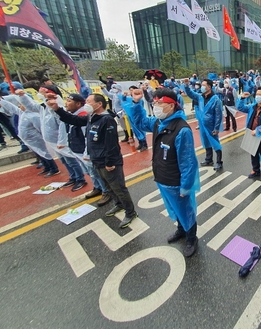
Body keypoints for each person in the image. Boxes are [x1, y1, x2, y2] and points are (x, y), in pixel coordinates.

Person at [130, 88, 200, 256]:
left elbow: (188, 162)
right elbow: (139, 122)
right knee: (174, 210)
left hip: (176, 180)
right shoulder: (157, 123)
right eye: (154, 103)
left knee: (185, 211)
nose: (156, 106)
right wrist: (136, 103)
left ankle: (191, 238)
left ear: (171, 105)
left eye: (160, 103)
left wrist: (185, 187)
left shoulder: (181, 129)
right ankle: (181, 229)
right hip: (162, 177)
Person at [50, 94, 137, 228]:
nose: (86, 104)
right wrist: (57, 109)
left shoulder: (107, 120)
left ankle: (130, 212)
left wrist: (110, 163)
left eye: (89, 101)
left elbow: (111, 144)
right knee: (108, 186)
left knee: (119, 188)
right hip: (96, 160)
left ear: (99, 104)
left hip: (108, 162)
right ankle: (118, 205)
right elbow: (74, 120)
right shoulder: (92, 117)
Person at [184, 78, 223, 170]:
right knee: (205, 142)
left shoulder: (215, 99)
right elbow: (190, 94)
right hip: (202, 124)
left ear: (209, 87)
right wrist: (186, 85)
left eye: (204, 85)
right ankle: (208, 159)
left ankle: (219, 161)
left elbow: (218, 115)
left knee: (215, 143)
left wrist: (216, 128)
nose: (202, 87)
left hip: (211, 125)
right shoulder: (200, 97)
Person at [237, 87, 261, 182]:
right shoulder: (253, 106)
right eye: (256, 94)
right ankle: (255, 170)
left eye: (260, 94)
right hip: (251, 134)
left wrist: (258, 130)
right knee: (253, 153)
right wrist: (242, 98)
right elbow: (241, 108)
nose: (257, 96)